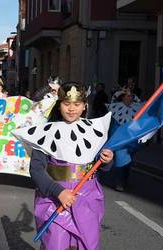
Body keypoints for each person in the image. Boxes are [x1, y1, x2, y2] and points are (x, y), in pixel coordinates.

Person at [18, 82, 114, 249]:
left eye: (77, 104)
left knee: (86, 246)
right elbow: (36, 170)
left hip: (88, 201)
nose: (71, 109)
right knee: (56, 244)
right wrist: (59, 192)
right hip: (54, 201)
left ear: (85, 106)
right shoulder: (45, 133)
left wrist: (108, 160)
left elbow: (104, 167)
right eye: (66, 104)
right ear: (59, 104)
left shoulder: (94, 133)